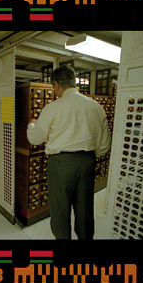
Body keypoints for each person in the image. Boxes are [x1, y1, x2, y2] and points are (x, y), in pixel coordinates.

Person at [26, 65, 111, 239]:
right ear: (74, 83)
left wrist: (31, 125)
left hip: (60, 165)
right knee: (85, 209)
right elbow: (104, 145)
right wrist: (86, 156)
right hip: (87, 162)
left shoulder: (52, 108)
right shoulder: (96, 107)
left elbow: (35, 138)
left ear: (56, 84)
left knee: (60, 210)